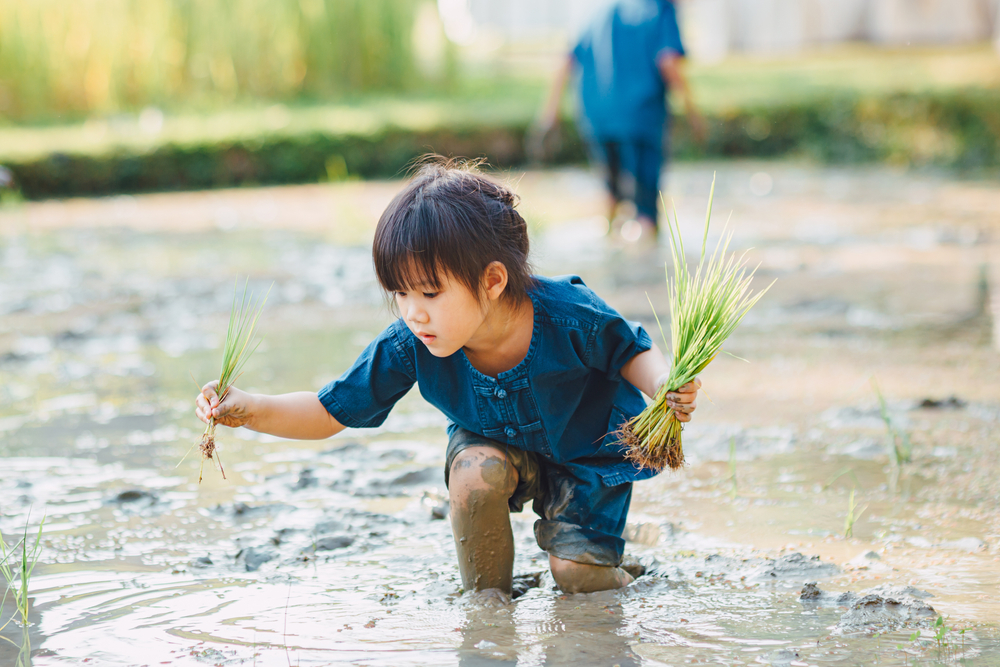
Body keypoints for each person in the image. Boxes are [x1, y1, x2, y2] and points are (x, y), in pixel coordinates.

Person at [194, 158, 700, 602]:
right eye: (400, 294)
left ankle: (622, 580)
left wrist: (665, 386)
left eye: (431, 294)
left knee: (576, 579)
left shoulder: (568, 315)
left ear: (493, 281)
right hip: (496, 450)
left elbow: (630, 347)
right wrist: (250, 408)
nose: (414, 313)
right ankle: (487, 603)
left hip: (587, 451)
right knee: (475, 473)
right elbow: (330, 411)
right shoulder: (410, 342)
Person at [534, 0, 705, 241]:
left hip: (596, 119)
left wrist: (549, 114)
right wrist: (693, 112)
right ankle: (644, 268)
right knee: (645, 205)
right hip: (641, 118)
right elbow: (668, 62)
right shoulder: (661, 10)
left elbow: (566, 61)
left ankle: (609, 243)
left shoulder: (601, 10)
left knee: (610, 194)